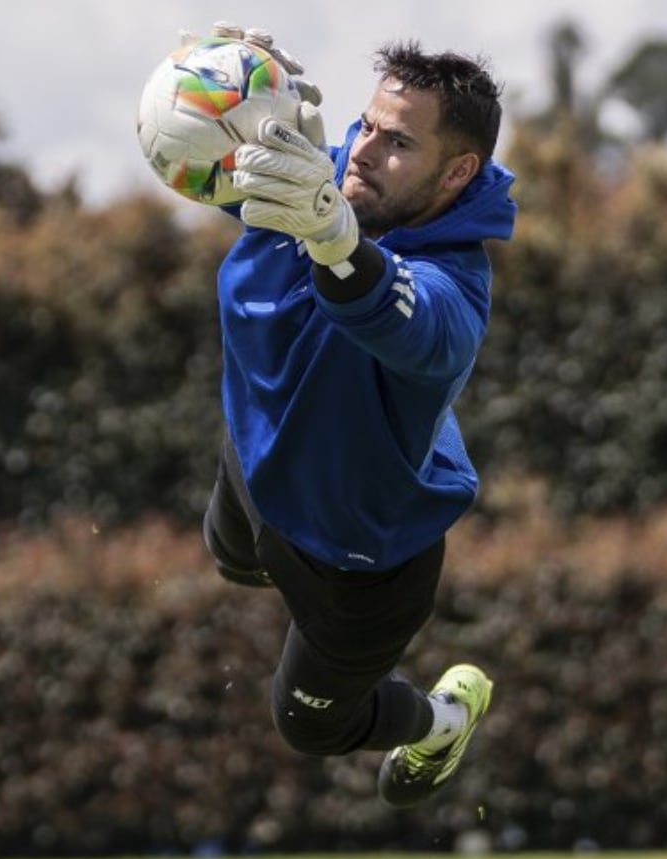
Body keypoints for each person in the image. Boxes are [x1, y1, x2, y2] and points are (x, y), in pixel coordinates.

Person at [201, 25, 518, 808]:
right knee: (230, 554)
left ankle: (441, 721)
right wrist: (234, 87)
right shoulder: (319, 178)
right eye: (367, 126)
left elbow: (395, 311)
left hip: (359, 561)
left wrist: (335, 241)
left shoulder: (456, 289)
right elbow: (206, 155)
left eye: (399, 143)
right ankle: (247, 549)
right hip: (254, 459)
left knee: (306, 723)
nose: (367, 151)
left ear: (457, 173)